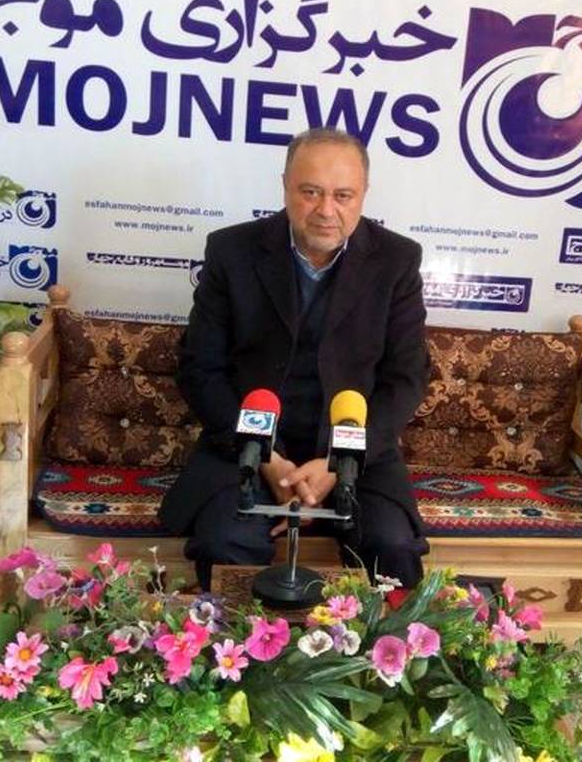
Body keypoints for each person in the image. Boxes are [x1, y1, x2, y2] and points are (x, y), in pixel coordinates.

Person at [161, 127, 430, 592]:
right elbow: (202, 368)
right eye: (310, 192)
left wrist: (337, 464)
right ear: (285, 185)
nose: (326, 210)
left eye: (343, 195)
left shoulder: (396, 260)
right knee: (224, 542)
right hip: (246, 444)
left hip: (355, 447)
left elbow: (406, 378)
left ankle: (363, 643)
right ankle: (244, 640)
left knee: (392, 545)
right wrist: (267, 459)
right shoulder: (231, 251)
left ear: (364, 194)